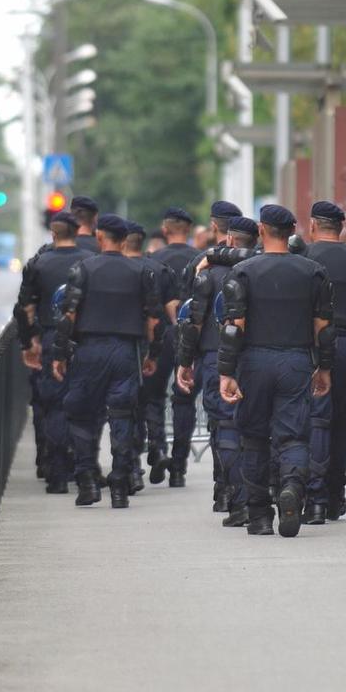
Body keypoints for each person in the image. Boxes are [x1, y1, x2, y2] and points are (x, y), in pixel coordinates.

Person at [217, 205, 335, 537]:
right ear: (292, 232)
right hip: (296, 360)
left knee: (253, 436)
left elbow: (234, 327)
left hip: (254, 361)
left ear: (261, 229)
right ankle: (292, 489)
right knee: (294, 434)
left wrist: (226, 372)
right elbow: (323, 328)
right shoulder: (314, 272)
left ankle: (259, 515)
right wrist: (324, 368)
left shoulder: (242, 271)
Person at [51, 214, 162, 508]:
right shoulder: (141, 272)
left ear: (100, 237)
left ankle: (87, 479)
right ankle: (119, 483)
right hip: (125, 351)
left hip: (89, 350)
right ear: (125, 240)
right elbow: (153, 320)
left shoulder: (83, 270)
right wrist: (151, 354)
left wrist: (61, 354)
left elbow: (68, 316)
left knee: (82, 414)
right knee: (123, 414)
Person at [176, 214, 258, 526]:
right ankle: (258, 495)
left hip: (214, 355)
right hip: (254, 357)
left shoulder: (207, 273)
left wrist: (185, 361)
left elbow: (193, 322)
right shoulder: (260, 267)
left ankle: (230, 495)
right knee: (255, 429)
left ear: (228, 240)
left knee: (224, 427)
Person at [298, 201, 346, 524]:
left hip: (310, 344)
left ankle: (314, 497)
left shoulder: (302, 258)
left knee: (315, 419)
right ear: (340, 228)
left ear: (313, 226)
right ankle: (335, 495)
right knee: (342, 420)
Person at [14, 211, 92, 493]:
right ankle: (84, 470)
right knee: (84, 406)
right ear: (77, 232)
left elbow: (25, 308)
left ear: (53, 234)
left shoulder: (38, 264)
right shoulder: (88, 262)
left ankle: (57, 472)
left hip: (49, 338)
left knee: (54, 404)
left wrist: (29, 343)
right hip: (84, 340)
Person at [141, 207, 201, 486]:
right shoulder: (201, 260)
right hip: (193, 339)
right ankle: (178, 466)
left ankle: (156, 446)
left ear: (165, 231)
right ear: (188, 231)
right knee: (184, 399)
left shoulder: (152, 260)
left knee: (153, 396)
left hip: (161, 338)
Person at [123, 220, 172, 494]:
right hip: (159, 344)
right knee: (154, 398)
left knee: (127, 406)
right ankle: (158, 445)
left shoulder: (115, 270)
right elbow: (172, 310)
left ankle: (132, 467)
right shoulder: (159, 269)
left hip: (126, 345)